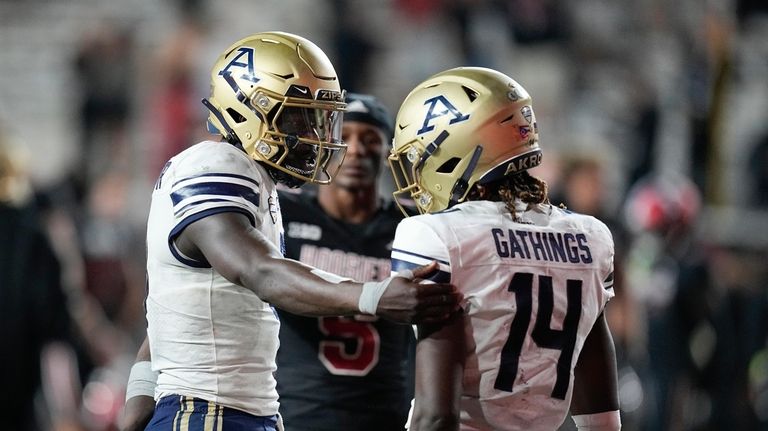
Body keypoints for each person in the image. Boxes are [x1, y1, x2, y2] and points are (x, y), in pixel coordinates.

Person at [119, 32, 459, 431]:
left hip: (240, 411)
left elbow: (165, 314)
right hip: (208, 413)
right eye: (301, 117)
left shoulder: (251, 179)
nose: (316, 136)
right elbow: (258, 271)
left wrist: (135, 409)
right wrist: (372, 296)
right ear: (251, 109)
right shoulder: (214, 164)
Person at [387, 67, 620, 430]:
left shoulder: (435, 235)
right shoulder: (591, 236)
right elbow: (603, 419)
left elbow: (437, 414)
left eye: (420, 157)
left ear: (454, 151)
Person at [275, 93, 415, 430]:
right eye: (345, 136)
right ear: (325, 143)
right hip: (294, 412)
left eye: (370, 139)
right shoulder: (282, 210)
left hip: (384, 413)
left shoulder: (412, 225)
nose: (356, 149)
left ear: (387, 151)